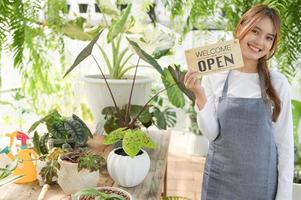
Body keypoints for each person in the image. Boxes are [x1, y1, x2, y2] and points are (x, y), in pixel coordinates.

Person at [184, 4, 293, 200]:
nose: (260, 42)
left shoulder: (278, 83)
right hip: (220, 183)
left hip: (261, 186)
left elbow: (284, 147)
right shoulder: (215, 75)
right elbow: (213, 135)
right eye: (255, 31)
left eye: (269, 37)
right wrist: (200, 96)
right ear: (241, 28)